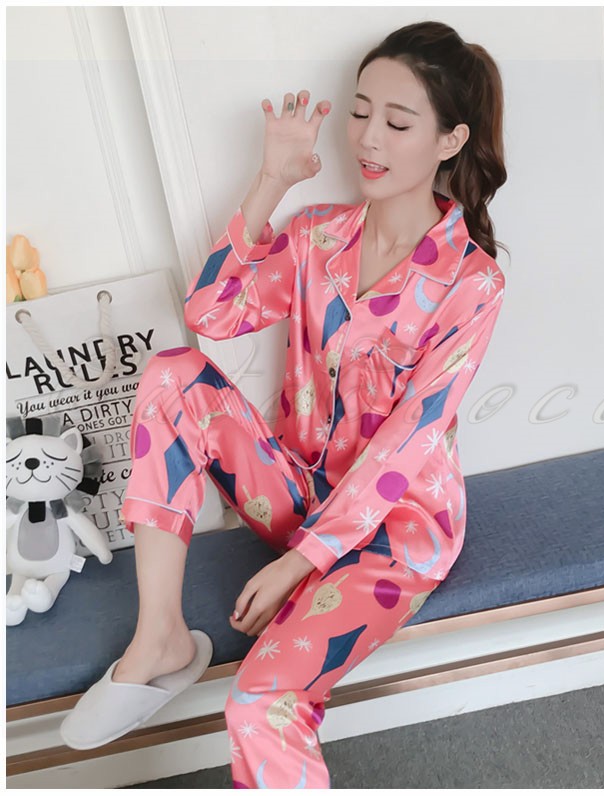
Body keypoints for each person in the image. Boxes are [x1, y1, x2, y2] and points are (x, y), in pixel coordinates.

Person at [60, 20, 508, 788]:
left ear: (450, 139)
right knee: (171, 372)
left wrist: (302, 562)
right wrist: (271, 180)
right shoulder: (316, 237)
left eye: (398, 122)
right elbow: (210, 313)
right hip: (300, 492)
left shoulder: (473, 285)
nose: (368, 137)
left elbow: (408, 443)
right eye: (360, 111)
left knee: (259, 704)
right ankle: (160, 637)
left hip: (393, 533)